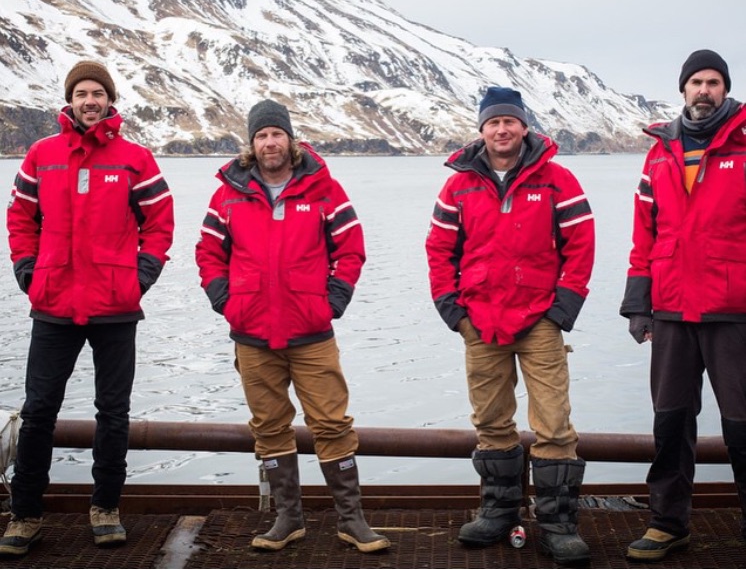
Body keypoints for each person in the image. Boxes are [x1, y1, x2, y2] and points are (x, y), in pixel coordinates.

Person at [195, 99, 389, 554]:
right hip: (252, 332)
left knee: (332, 423)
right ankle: (288, 518)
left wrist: (333, 301)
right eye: (261, 136)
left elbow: (351, 249)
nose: (269, 143)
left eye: (276, 134)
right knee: (268, 425)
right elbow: (208, 253)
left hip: (311, 331)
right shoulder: (227, 194)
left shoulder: (324, 190)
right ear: (252, 143)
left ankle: (352, 520)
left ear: (290, 138)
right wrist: (226, 301)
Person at [1, 60, 174, 557]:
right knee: (38, 412)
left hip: (115, 306)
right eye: (81, 93)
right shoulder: (41, 155)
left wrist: (140, 278)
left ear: (110, 100)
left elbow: (160, 223)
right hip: (53, 303)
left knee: (113, 414)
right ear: (70, 101)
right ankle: (26, 515)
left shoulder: (136, 159)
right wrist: (27, 271)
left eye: (98, 92)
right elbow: (20, 217)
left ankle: (105, 509)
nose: (89, 100)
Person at [425, 87, 595, 565]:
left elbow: (581, 245)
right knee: (491, 422)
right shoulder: (457, 186)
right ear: (482, 130)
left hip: (540, 320)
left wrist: (562, 310)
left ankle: (558, 524)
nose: (502, 130)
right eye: (493, 123)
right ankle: (498, 512)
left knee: (555, 424)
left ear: (524, 127)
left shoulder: (558, 180)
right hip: (480, 322)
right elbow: (439, 251)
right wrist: (453, 311)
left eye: (510, 122)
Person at [620, 49, 746, 561]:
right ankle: (668, 523)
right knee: (670, 421)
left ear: (726, 90)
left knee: (742, 425)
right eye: (696, 81)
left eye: (714, 82)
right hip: (671, 309)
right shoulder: (659, 153)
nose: (705, 90)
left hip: (733, 309)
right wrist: (638, 304)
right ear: (682, 89)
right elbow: (643, 233)